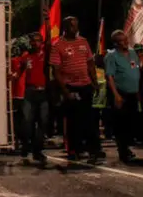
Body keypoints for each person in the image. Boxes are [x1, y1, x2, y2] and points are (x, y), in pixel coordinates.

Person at [50, 16, 101, 164]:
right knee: (73, 121)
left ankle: (94, 150)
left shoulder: (83, 42)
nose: (75, 28)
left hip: (85, 85)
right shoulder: (58, 45)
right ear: (65, 28)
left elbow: (90, 63)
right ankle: (74, 150)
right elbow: (56, 71)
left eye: (76, 25)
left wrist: (95, 82)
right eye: (72, 26)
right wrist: (65, 91)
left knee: (90, 120)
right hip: (70, 87)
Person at [104, 30, 141, 163]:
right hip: (121, 94)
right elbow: (109, 77)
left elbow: (136, 70)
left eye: (126, 40)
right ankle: (123, 151)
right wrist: (116, 95)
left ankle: (126, 147)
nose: (126, 42)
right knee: (121, 124)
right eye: (122, 41)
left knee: (132, 123)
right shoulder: (111, 56)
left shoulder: (132, 53)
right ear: (115, 43)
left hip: (133, 94)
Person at [17, 33, 48, 164]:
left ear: (41, 42)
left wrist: (47, 20)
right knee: (27, 123)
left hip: (43, 92)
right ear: (30, 43)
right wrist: (13, 76)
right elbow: (19, 71)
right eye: (33, 41)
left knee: (43, 123)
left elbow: (50, 40)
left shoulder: (46, 54)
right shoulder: (25, 56)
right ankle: (25, 145)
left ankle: (37, 151)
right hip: (30, 93)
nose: (35, 43)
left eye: (37, 41)